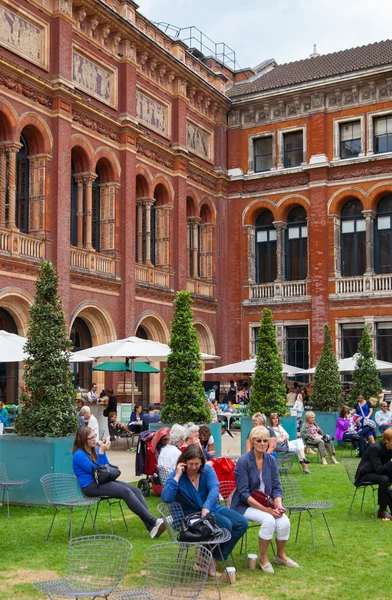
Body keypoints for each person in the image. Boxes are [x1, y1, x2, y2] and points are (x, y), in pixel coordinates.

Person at [161, 445, 248, 577]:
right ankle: (208, 562)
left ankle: (212, 558)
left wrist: (206, 506)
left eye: (197, 463)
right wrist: (178, 475)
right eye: (191, 464)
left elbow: (214, 489)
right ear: (184, 462)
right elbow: (166, 497)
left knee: (242, 523)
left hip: (210, 508)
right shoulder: (177, 475)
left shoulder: (207, 469)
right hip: (190, 516)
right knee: (226, 524)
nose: (194, 467)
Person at [72, 426, 166, 537]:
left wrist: (102, 452)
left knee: (136, 490)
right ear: (83, 440)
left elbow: (106, 467)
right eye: (90, 438)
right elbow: (96, 470)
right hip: (90, 487)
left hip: (100, 482)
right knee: (125, 491)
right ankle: (154, 521)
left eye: (94, 436)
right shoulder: (78, 454)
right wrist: (101, 452)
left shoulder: (95, 449)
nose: (94, 439)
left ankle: (151, 527)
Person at [231, 426, 299, 573]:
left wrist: (278, 504)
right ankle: (263, 558)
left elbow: (276, 487)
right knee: (269, 520)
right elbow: (244, 494)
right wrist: (267, 510)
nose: (262, 444)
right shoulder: (243, 462)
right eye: (258, 441)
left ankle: (280, 555)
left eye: (265, 441)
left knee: (284, 522)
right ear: (252, 442)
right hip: (244, 505)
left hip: (266, 502)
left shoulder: (271, 460)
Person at [355, 428, 392, 520]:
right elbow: (379, 470)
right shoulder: (375, 448)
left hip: (378, 472)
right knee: (384, 479)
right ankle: (382, 509)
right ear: (386, 440)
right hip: (365, 474)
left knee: (386, 478)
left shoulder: (390, 448)